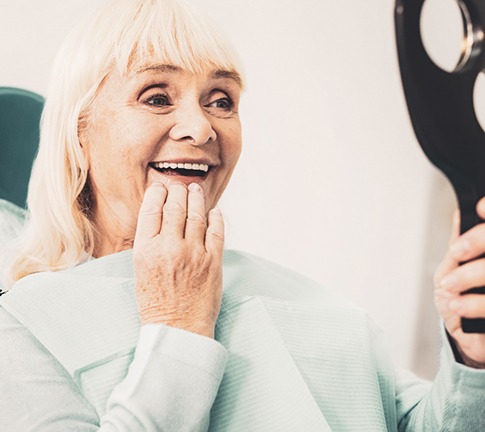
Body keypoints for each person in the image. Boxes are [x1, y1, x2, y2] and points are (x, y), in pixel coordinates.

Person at [0, 0, 484, 430]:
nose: (200, 127)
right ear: (79, 131)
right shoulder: (23, 326)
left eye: (221, 100)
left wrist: (471, 359)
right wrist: (177, 325)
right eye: (157, 97)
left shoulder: (312, 301)